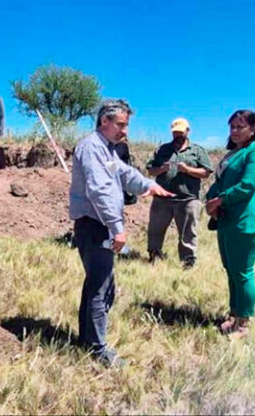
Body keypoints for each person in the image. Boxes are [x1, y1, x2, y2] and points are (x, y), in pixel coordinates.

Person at [69, 99, 174, 366]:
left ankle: (88, 340)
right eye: (121, 125)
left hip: (99, 225)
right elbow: (100, 191)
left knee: (101, 286)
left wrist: (149, 185)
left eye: (126, 125)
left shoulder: (107, 151)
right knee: (100, 288)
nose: (125, 131)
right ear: (104, 121)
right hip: (95, 226)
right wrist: (117, 228)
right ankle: (96, 349)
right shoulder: (92, 148)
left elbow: (124, 175)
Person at [205, 110, 255, 339]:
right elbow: (219, 182)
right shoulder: (234, 153)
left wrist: (220, 200)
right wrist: (211, 202)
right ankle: (234, 315)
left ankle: (243, 323)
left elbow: (248, 184)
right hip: (226, 219)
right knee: (231, 270)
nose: (234, 131)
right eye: (231, 127)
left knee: (242, 272)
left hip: (245, 221)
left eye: (239, 127)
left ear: (253, 129)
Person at [145, 118, 213, 268]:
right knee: (155, 229)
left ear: (188, 131)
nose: (178, 135)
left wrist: (188, 170)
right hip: (162, 198)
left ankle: (188, 261)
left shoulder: (197, 151)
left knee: (188, 233)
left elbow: (206, 172)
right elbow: (150, 170)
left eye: (181, 132)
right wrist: (162, 168)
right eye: (175, 133)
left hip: (188, 199)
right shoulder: (162, 150)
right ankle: (154, 256)